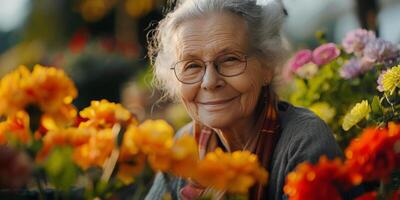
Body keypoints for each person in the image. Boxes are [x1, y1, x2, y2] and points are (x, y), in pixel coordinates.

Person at [145, 0, 343, 199]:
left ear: (267, 65)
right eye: (192, 66)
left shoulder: (304, 141)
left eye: (230, 59)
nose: (209, 82)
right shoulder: (185, 144)